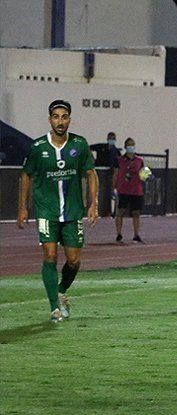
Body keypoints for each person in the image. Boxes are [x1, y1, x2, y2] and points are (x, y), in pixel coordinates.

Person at [16, 99, 99, 323]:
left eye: (64, 117)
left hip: (73, 212)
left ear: (69, 119)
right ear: (50, 119)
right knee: (50, 256)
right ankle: (54, 307)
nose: (60, 121)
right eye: (56, 117)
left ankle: (60, 290)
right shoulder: (38, 147)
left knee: (73, 261)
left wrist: (93, 203)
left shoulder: (80, 145)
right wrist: (23, 207)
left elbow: (91, 174)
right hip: (46, 211)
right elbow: (26, 175)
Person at [112, 137, 146, 243]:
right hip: (124, 190)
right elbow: (115, 174)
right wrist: (113, 188)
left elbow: (143, 174)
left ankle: (136, 234)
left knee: (136, 213)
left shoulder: (139, 160)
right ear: (125, 147)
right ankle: (119, 234)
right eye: (129, 145)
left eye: (133, 144)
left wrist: (146, 175)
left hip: (136, 190)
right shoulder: (119, 160)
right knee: (120, 212)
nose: (131, 147)